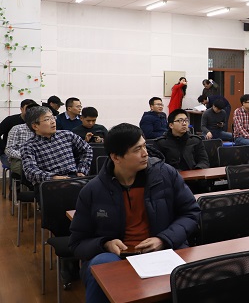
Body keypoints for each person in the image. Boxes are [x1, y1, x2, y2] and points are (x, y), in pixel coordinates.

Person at [69, 123, 200, 303]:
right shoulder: (93, 191)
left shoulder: (165, 175)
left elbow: (191, 213)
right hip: (118, 256)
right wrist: (105, 244)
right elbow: (77, 243)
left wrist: (163, 239)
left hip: (163, 249)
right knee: (101, 265)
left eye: (145, 146)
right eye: (137, 149)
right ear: (116, 157)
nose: (145, 153)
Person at [21, 106, 93, 188]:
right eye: (47, 119)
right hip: (49, 184)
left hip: (73, 178)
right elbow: (30, 171)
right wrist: (52, 177)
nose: (53, 122)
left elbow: (87, 149)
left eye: (53, 117)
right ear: (35, 126)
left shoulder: (67, 135)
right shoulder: (29, 146)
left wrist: (82, 170)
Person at [5, 103, 39, 178]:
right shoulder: (17, 129)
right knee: (30, 169)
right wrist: (26, 156)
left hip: (41, 159)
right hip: (20, 159)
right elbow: (9, 150)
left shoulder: (44, 129)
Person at [0, 98, 36, 167]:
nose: (30, 111)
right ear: (21, 109)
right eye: (27, 109)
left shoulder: (36, 123)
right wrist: (3, 148)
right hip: (10, 154)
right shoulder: (10, 120)